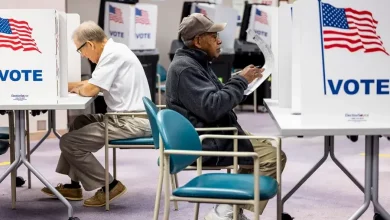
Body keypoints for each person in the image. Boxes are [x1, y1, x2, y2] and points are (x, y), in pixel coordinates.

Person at [165, 13, 287, 220]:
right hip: (207, 139)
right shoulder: (186, 68)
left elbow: (212, 97)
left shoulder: (196, 62)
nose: (219, 40)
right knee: (273, 157)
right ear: (198, 41)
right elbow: (213, 107)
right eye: (214, 36)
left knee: (269, 149)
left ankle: (231, 210)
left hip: (214, 131)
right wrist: (240, 82)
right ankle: (228, 211)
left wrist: (238, 79)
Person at [41, 21, 152, 207]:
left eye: (80, 50)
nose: (82, 55)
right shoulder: (115, 50)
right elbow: (86, 85)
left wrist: (80, 87)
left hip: (130, 121)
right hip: (126, 117)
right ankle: (74, 186)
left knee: (68, 142)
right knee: (80, 122)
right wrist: (68, 86)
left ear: (90, 44)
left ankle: (110, 185)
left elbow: (90, 89)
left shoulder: (112, 55)